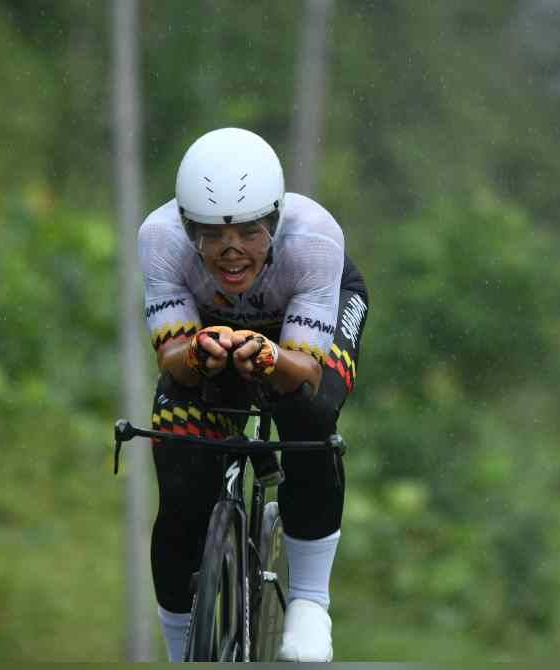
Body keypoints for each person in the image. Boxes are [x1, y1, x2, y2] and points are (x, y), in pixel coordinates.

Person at [137, 127, 369, 662]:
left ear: (276, 222)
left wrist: (270, 358)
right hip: (212, 326)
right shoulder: (160, 239)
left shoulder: (313, 239)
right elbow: (173, 362)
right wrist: (198, 355)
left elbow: (305, 373)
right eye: (211, 236)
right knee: (181, 482)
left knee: (308, 414)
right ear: (186, 228)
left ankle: (310, 600)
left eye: (249, 232)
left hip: (302, 321)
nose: (232, 251)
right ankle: (179, 652)